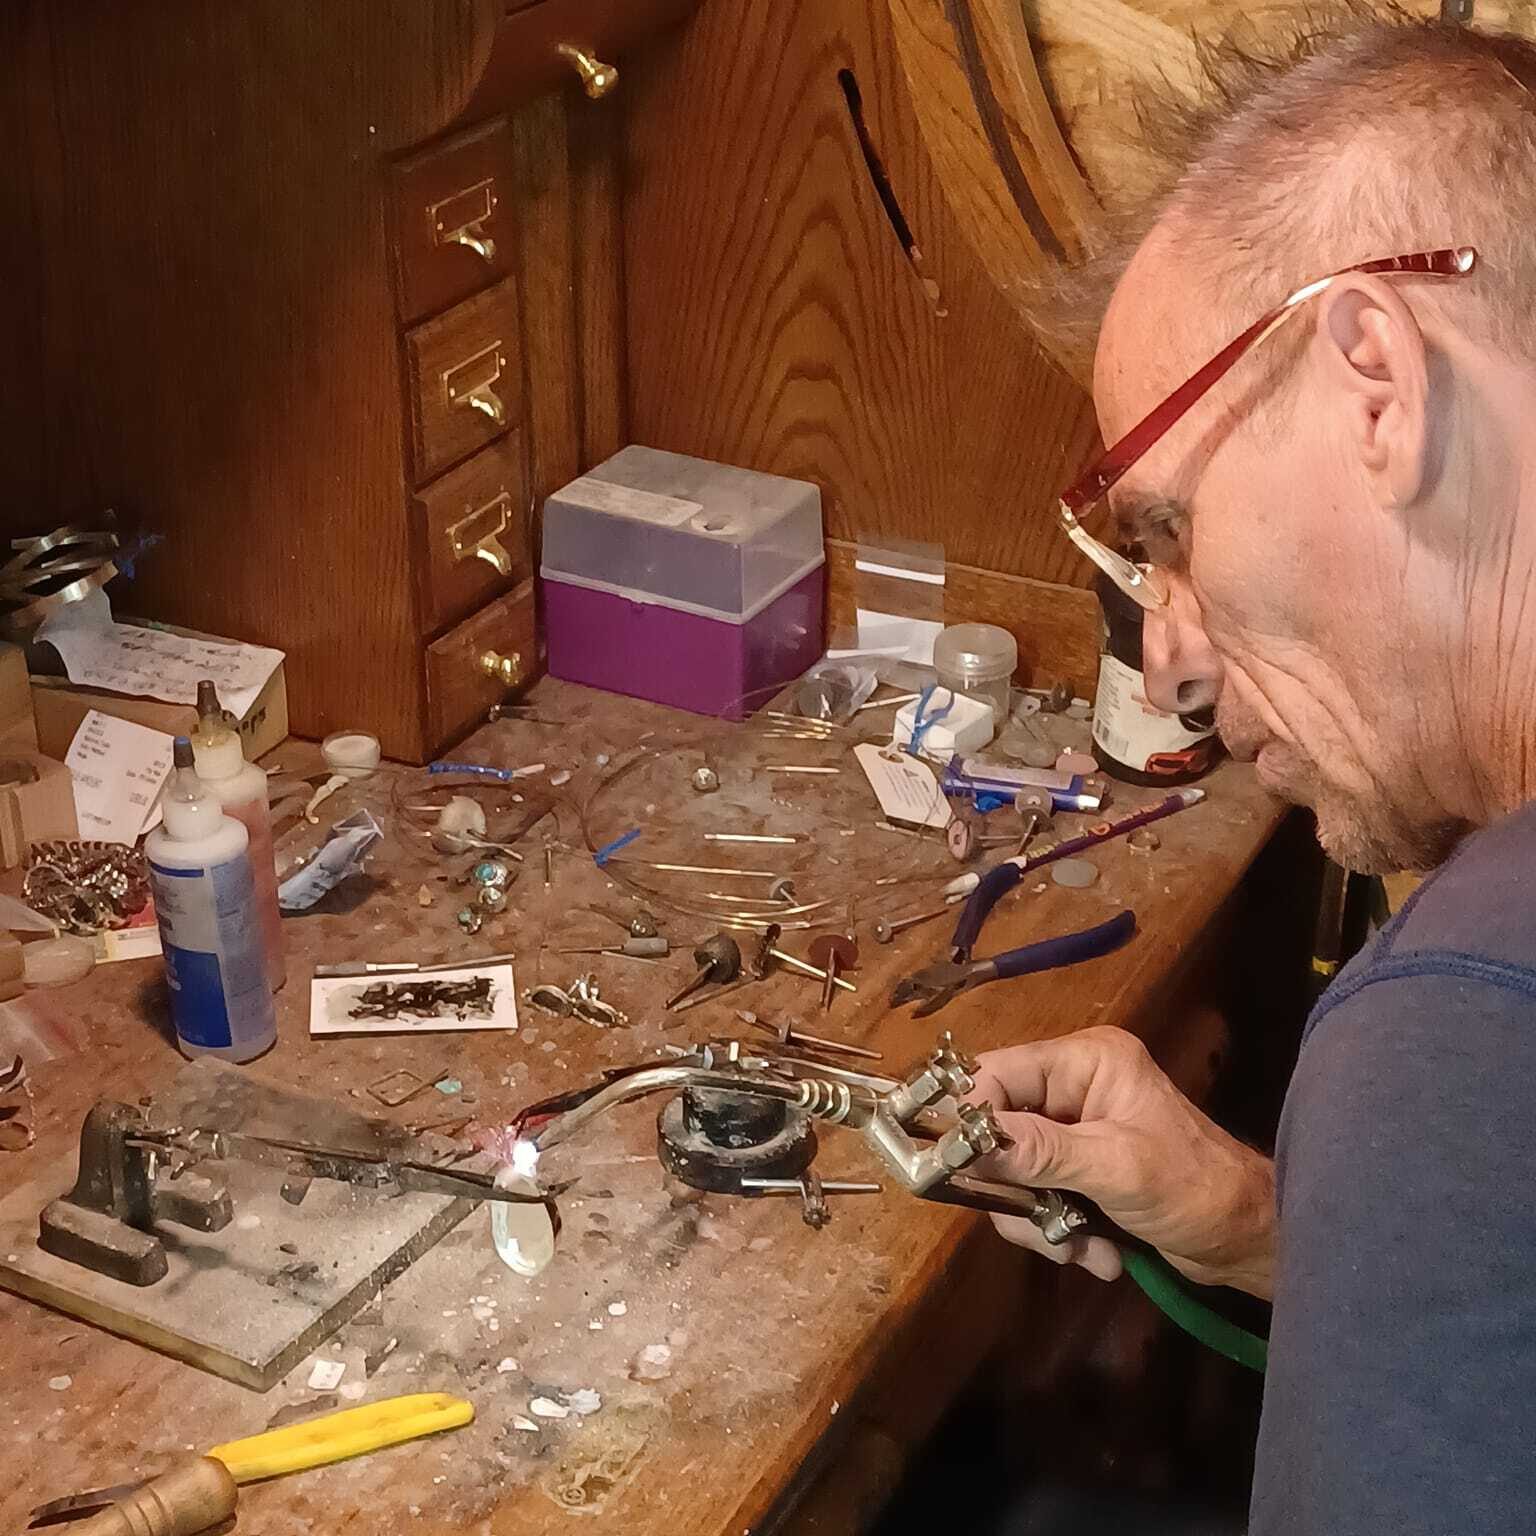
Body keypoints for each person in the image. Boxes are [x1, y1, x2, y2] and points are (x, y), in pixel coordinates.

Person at [970, 15, 1536, 1534]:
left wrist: (1413, 1140)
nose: (1170, 664)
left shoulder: (1468, 1034)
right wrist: (1299, 1234)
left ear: (1376, 384)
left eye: (1162, 535)